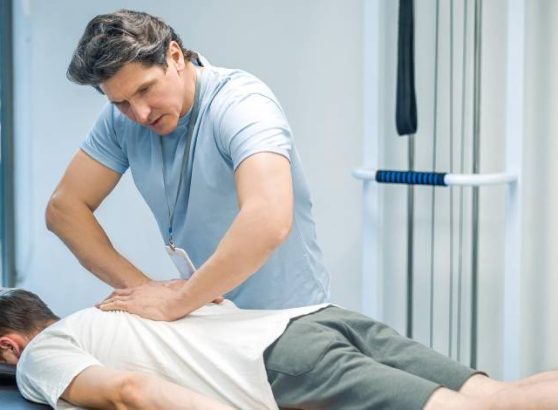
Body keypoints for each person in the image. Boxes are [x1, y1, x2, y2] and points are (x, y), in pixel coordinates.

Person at [45, 9, 330, 320]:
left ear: (175, 56)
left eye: (145, 89)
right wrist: (145, 289)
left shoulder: (242, 103)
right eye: (121, 102)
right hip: (205, 318)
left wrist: (174, 303)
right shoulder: (119, 122)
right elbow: (64, 209)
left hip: (286, 318)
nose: (139, 114)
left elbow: (269, 218)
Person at [2, 288, 558, 410]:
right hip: (319, 318)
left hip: (286, 363)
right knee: (499, 394)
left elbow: (132, 391)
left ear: (9, 345)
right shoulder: (114, 308)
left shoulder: (38, 358)